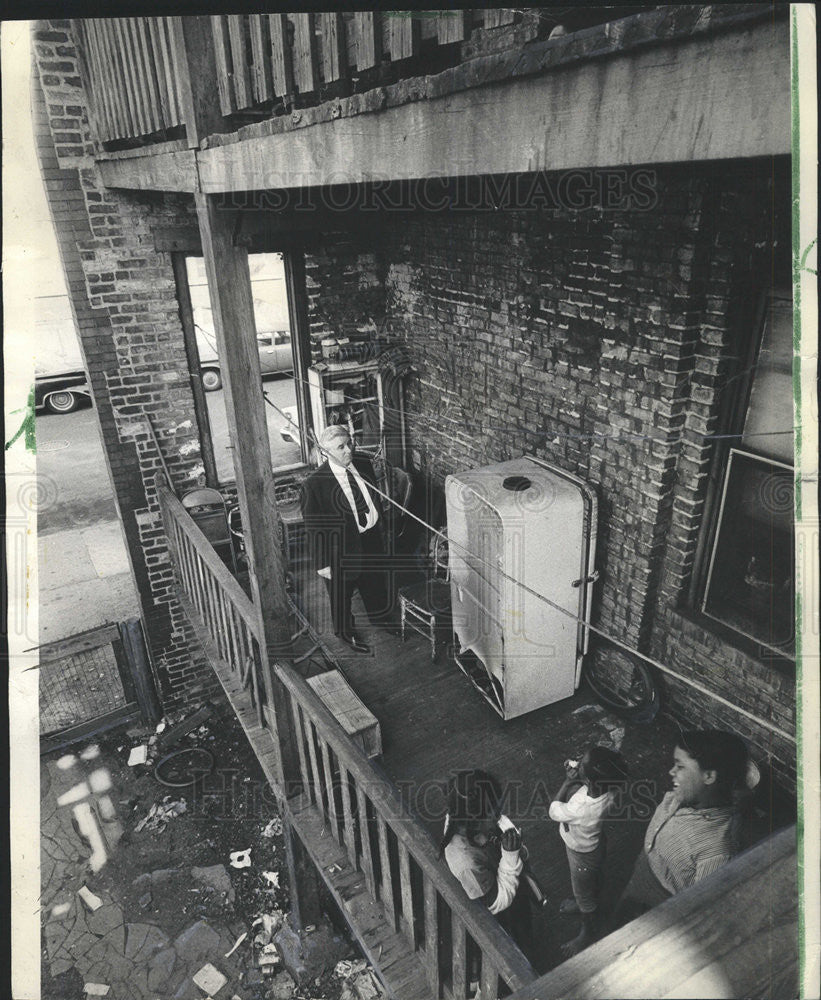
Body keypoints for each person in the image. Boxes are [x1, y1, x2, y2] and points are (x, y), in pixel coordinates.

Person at [612, 729, 749, 927]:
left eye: (680, 766)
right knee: (621, 916)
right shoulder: (685, 796)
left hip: (663, 902)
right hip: (644, 869)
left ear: (709, 776)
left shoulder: (717, 852)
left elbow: (699, 906)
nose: (671, 772)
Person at [301, 426, 393, 653]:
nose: (348, 450)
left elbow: (373, 499)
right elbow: (314, 528)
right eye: (340, 447)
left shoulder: (362, 463)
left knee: (375, 584)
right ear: (325, 452)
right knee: (341, 596)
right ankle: (345, 633)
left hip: (370, 537)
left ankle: (380, 619)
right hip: (339, 549)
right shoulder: (314, 484)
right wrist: (322, 564)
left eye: (349, 443)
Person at [439, 770, 533, 958]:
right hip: (497, 909)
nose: (499, 816)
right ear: (475, 821)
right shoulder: (465, 861)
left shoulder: (461, 814)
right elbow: (497, 903)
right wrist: (511, 856)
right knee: (515, 940)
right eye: (494, 812)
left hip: (500, 875)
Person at [548, 746, 628, 957]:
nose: (577, 761)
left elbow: (554, 810)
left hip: (580, 853)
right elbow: (589, 784)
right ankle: (588, 896)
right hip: (596, 843)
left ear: (590, 781)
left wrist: (567, 781)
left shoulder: (581, 808)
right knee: (594, 876)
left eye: (581, 763)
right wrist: (580, 775)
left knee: (584, 894)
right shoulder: (609, 788)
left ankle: (587, 932)